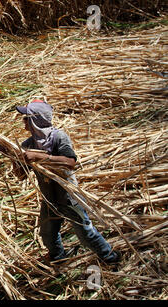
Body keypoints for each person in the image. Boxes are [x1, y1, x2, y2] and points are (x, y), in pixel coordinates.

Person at [13, 99, 121, 265]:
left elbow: (70, 162)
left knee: (86, 233)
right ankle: (59, 259)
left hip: (68, 197)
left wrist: (41, 157)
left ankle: (110, 257)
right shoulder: (27, 145)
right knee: (47, 234)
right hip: (49, 199)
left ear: (37, 119)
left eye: (26, 118)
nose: (23, 122)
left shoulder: (58, 138)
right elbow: (21, 176)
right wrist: (15, 160)